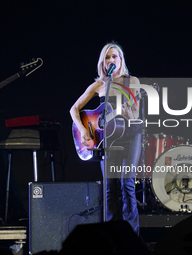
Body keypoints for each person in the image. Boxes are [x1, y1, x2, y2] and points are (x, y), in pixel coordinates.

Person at [70, 42, 141, 235]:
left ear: (121, 60)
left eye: (114, 57)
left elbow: (135, 114)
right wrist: (84, 130)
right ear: (103, 62)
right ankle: (113, 236)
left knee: (127, 184)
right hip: (108, 140)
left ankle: (131, 236)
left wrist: (128, 114)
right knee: (110, 187)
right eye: (107, 57)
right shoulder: (99, 85)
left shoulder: (131, 81)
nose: (111, 60)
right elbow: (73, 109)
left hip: (130, 136)